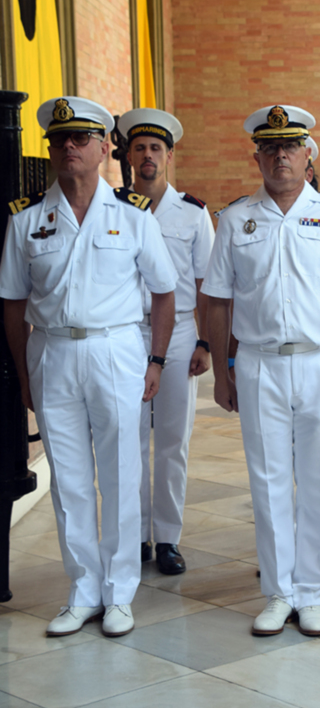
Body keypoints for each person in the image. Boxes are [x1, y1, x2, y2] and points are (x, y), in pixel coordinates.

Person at [0, 97, 177, 637]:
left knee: (122, 472)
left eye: (81, 139)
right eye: (59, 140)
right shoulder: (27, 218)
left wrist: (155, 360)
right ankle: (82, 589)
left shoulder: (133, 215)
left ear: (105, 148)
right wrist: (25, 374)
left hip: (116, 350)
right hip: (52, 352)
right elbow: (11, 301)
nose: (68, 148)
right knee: (70, 481)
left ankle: (119, 592)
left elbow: (165, 292)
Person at [202, 104, 320, 636]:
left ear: (308, 155)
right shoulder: (233, 219)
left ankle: (312, 592)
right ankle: (278, 592)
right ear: (257, 156)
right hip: (259, 364)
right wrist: (222, 373)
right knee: (269, 478)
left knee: (318, 477)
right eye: (271, 148)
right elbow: (215, 301)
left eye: (291, 147)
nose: (282, 156)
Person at [117, 108, 215, 575]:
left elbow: (208, 285)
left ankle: (168, 540)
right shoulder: (114, 208)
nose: (148, 155)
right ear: (128, 156)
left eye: (156, 148)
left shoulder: (193, 214)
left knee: (173, 440)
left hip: (178, 334)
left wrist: (207, 344)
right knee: (129, 438)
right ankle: (135, 537)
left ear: (169, 156)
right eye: (140, 148)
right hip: (126, 333)